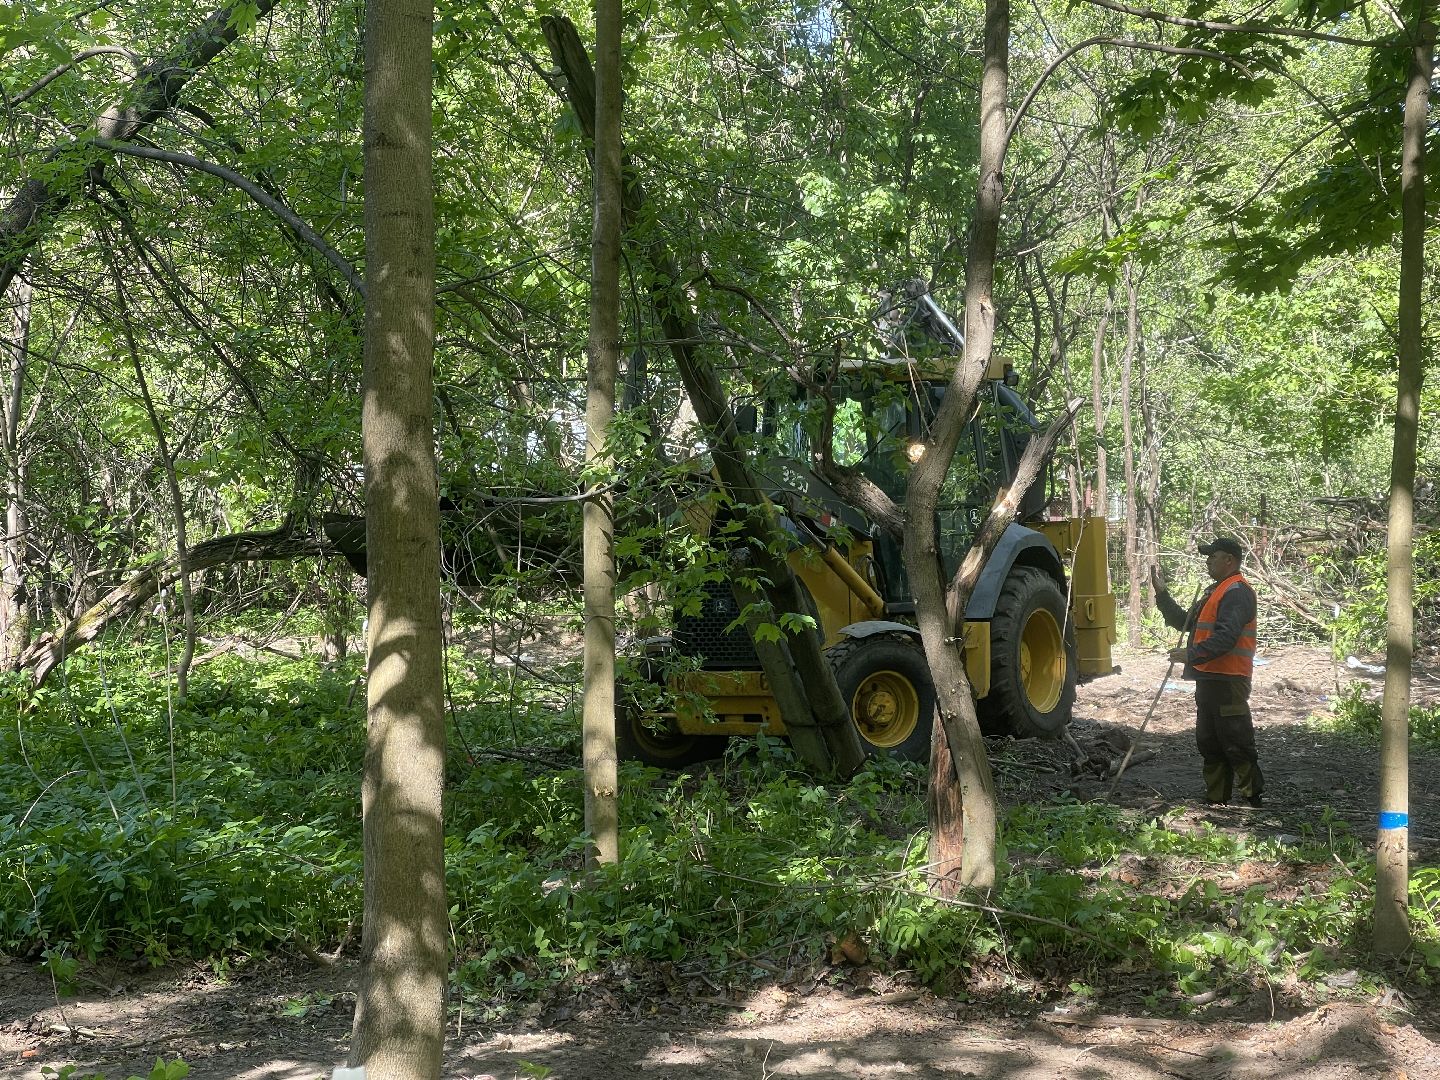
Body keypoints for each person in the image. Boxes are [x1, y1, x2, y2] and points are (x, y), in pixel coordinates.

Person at [1150, 537, 1263, 807]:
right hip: (1209, 677)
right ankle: (1216, 799)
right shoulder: (1216, 591)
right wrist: (1162, 594)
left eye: (1213, 555)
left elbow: (1226, 637)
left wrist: (1191, 654)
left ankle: (1253, 797)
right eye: (1208, 556)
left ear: (1229, 560)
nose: (1208, 560)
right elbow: (1184, 622)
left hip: (1229, 679)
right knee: (1209, 740)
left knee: (1235, 739)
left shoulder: (1236, 592)